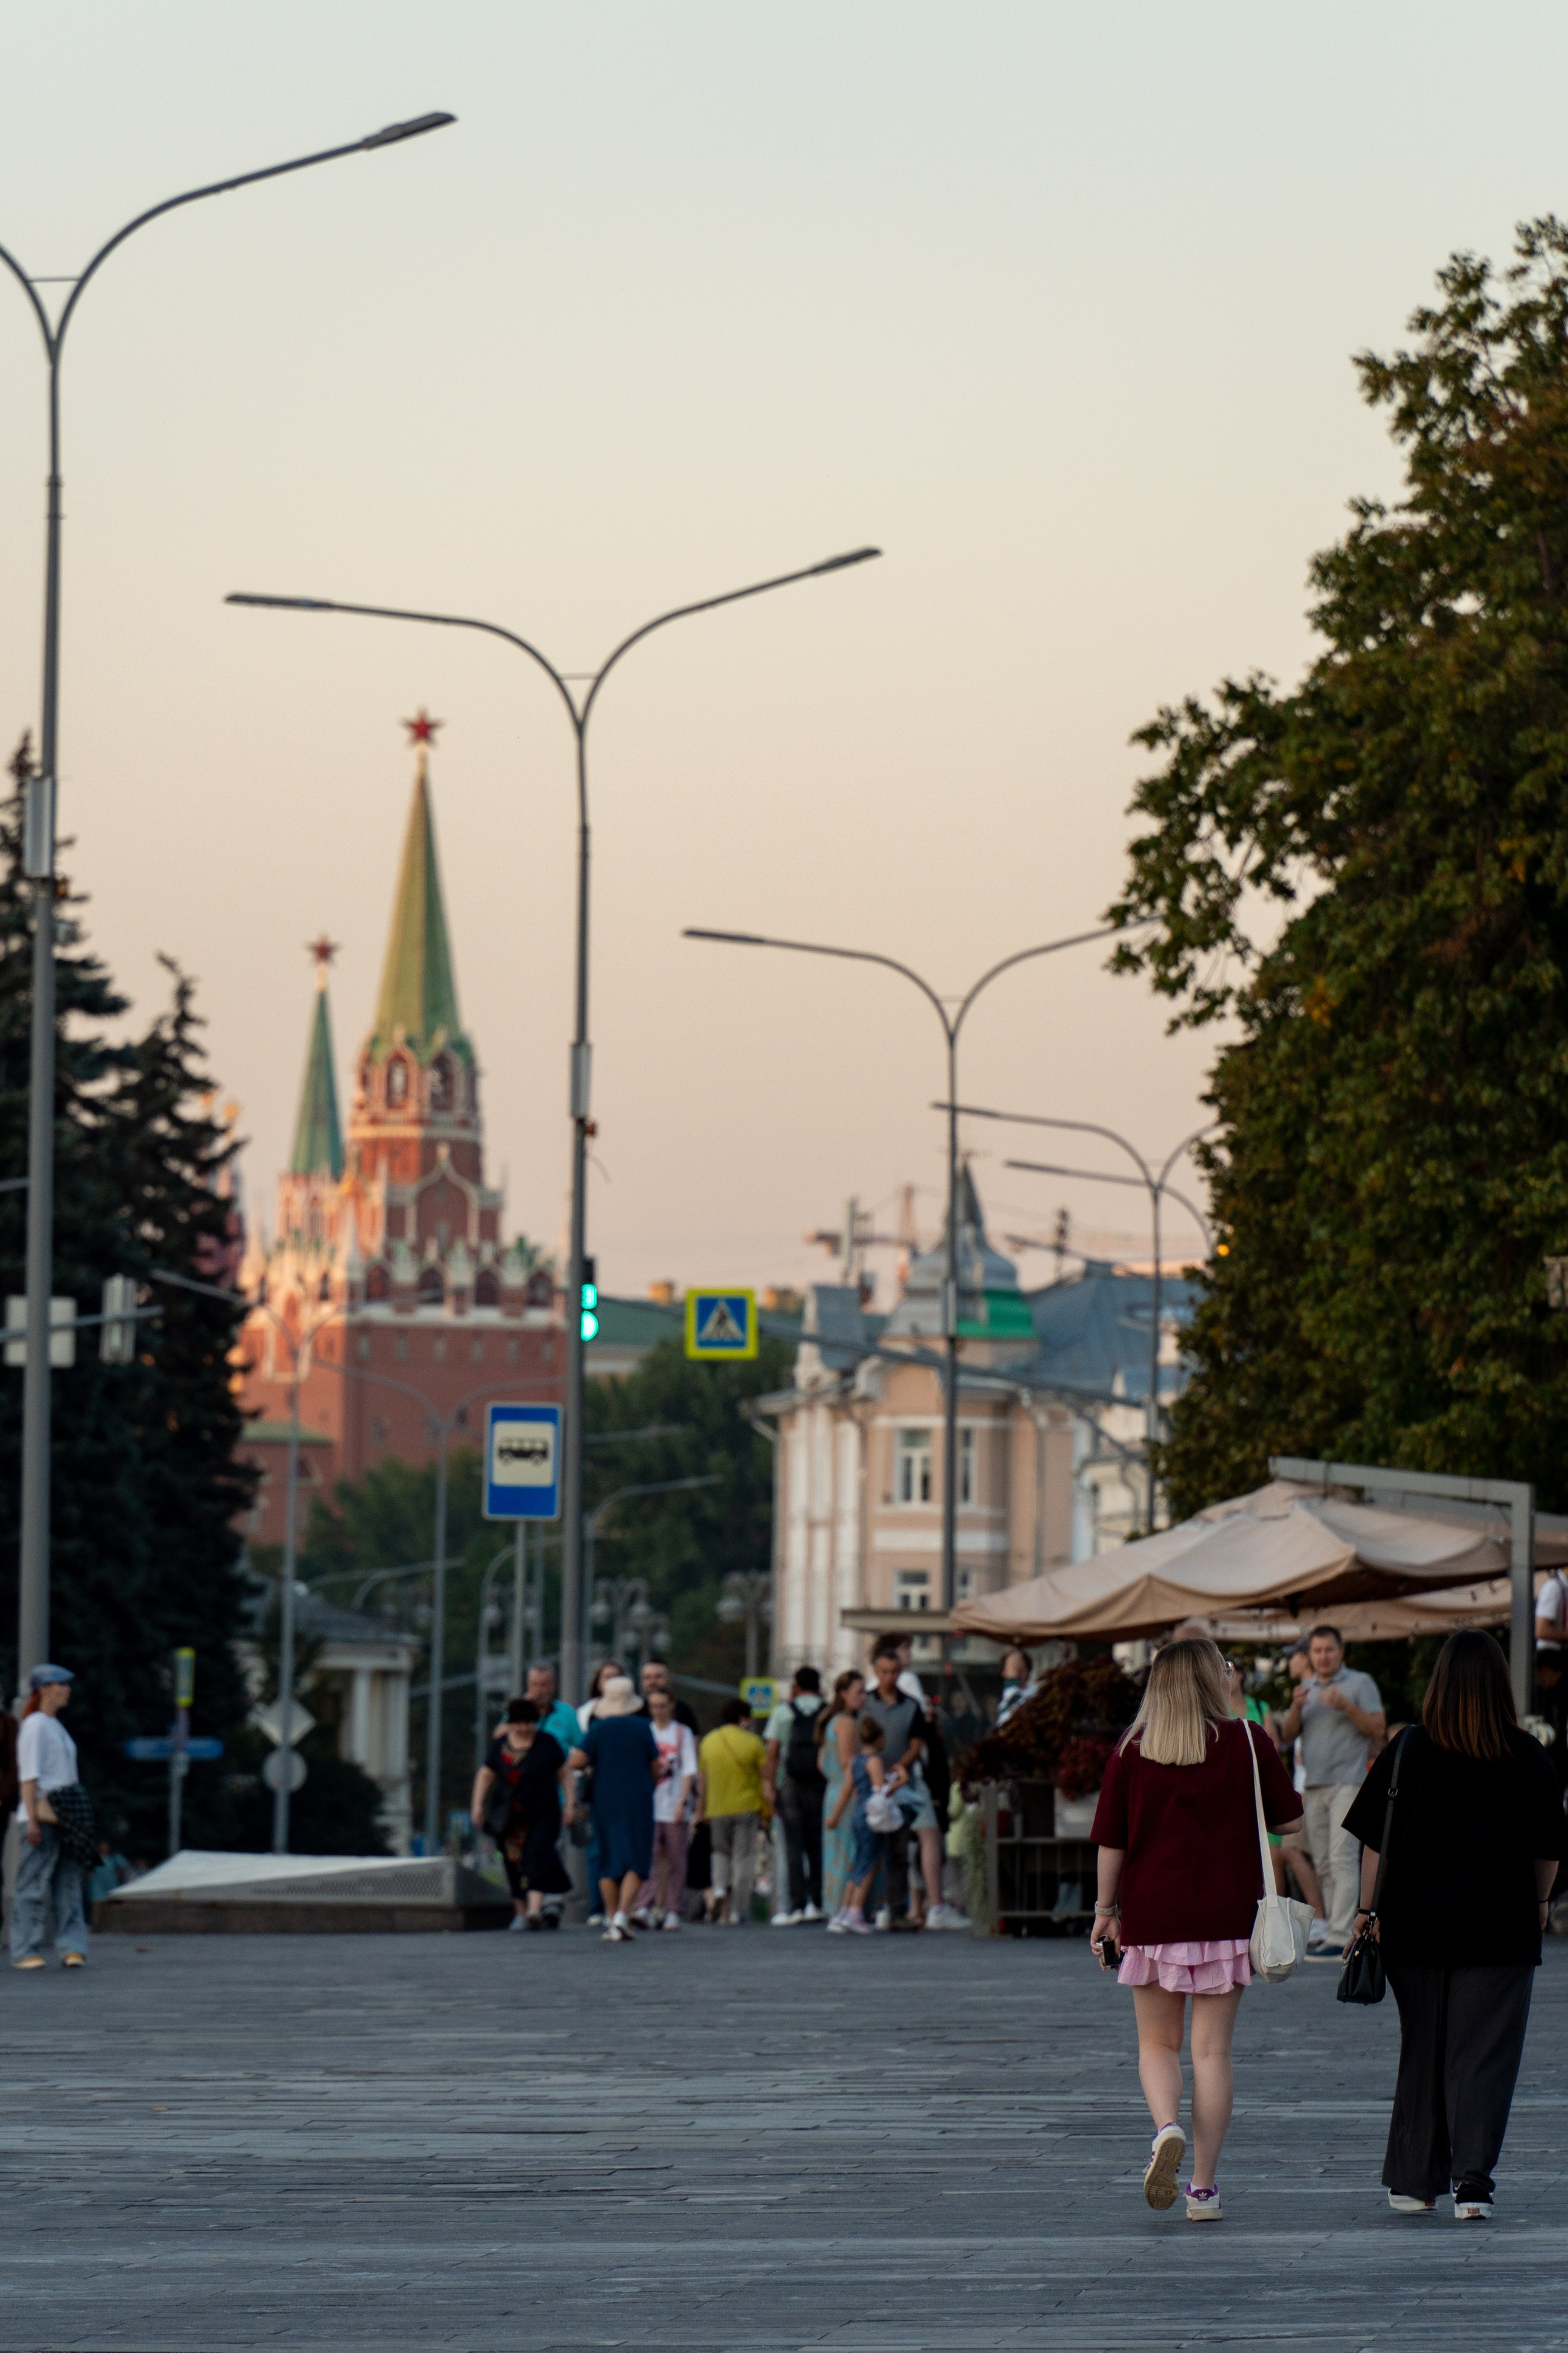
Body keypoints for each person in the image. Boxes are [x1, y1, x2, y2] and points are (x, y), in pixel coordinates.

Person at [1342, 1631, 1567, 2220]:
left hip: (1415, 1926)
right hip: (1501, 1926)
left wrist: (1366, 1912)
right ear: (1500, 1685)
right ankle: (1472, 2184)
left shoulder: (1407, 1748)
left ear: (1438, 1682)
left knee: (1424, 2047)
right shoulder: (1528, 1755)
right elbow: (1550, 1849)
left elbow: (1374, 1844)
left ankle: (1415, 2181)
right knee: (1484, 2053)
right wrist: (1541, 1901)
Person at [1090, 1636, 1303, 2222]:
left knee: (1157, 2044)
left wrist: (1105, 1909)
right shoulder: (1249, 1740)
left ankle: (1165, 2128)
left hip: (1153, 1915)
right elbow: (1291, 1820)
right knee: (1213, 2053)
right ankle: (1204, 2189)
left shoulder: (1134, 1747)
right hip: (1227, 1917)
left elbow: (1113, 1841)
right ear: (1217, 1679)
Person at [1275, 1624, 1384, 1954]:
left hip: (1349, 1783)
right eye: (1317, 1651)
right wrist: (1295, 1707)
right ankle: (1335, 1930)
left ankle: (1339, 1936)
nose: (1323, 1656)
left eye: (1329, 1650)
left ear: (1341, 1652)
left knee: (1342, 1858)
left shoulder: (1359, 1683)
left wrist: (1347, 1707)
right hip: (1315, 1785)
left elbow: (1378, 1728)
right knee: (1323, 1861)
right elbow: (1287, 1737)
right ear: (1310, 1655)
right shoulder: (1305, 1688)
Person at [1225, 1656, 1324, 1924]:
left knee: (1280, 1854)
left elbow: (1273, 1745)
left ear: (1243, 1675)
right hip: (1239, 1787)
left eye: (1231, 1671)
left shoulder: (1260, 1706)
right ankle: (1276, 1918)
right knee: (1272, 1856)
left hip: (1263, 1784)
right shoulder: (1219, 1708)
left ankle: (1293, 1916)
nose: (1228, 1677)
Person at [567, 1677, 658, 1942]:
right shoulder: (644, 1728)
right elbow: (655, 1766)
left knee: (608, 1858)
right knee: (637, 1857)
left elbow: (576, 1762)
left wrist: (594, 1767)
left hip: (604, 1798)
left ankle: (611, 1916)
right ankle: (623, 1917)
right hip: (638, 1797)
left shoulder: (598, 1729)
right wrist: (649, 1784)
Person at [471, 1698, 574, 1931]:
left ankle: (535, 1909)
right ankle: (520, 1911)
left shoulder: (547, 1743)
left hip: (544, 1812)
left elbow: (564, 1774)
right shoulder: (500, 1745)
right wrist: (477, 1806)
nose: (525, 1728)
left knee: (537, 1855)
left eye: (530, 1723)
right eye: (520, 1723)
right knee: (513, 1862)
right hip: (508, 1817)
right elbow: (486, 1775)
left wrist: (569, 1804)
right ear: (511, 1723)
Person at [12, 1664, 89, 1971]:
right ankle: (24, 1948)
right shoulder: (35, 1725)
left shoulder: (55, 1726)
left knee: (68, 1880)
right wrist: (31, 1819)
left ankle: (72, 1946)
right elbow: (29, 1776)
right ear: (44, 1689)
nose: (67, 1690)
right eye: (61, 1684)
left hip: (67, 1812)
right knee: (32, 1881)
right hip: (43, 1812)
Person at [763, 1666, 827, 1925]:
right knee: (817, 1844)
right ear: (819, 1686)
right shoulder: (828, 1712)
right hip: (821, 1783)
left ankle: (797, 1905)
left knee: (793, 1845)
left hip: (790, 1784)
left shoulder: (782, 1712)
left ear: (797, 1686)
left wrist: (770, 1786)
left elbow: (773, 1752)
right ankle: (817, 1902)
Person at [695, 1698, 767, 1924]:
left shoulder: (709, 1742)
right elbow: (765, 1779)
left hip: (716, 1808)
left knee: (719, 1853)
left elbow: (702, 1780)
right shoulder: (754, 1743)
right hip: (747, 1806)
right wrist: (767, 1810)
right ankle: (738, 1908)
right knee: (743, 1857)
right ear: (744, 1719)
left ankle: (718, 1891)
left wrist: (701, 1809)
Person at [824, 1713, 894, 1934]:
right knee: (870, 1864)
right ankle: (855, 1911)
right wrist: (900, 1781)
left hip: (857, 1814)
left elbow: (846, 1790)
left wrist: (835, 1816)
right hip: (871, 1816)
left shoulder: (855, 1761)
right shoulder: (875, 1761)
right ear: (878, 1738)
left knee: (859, 1862)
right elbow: (879, 1791)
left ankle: (845, 1910)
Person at [636, 1683, 696, 1930]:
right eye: (654, 1707)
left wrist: (682, 1802)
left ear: (672, 1706)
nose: (658, 1711)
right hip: (649, 1805)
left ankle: (673, 1909)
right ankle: (644, 1906)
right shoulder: (644, 1731)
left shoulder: (682, 1733)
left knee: (676, 1860)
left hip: (673, 1805)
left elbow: (688, 1771)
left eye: (662, 1706)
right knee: (646, 1859)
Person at [819, 1671, 864, 1924]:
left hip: (833, 1790)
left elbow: (821, 1763)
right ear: (843, 1694)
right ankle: (846, 1910)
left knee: (835, 1853)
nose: (863, 1698)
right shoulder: (846, 1723)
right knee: (850, 1852)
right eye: (858, 1692)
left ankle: (835, 1908)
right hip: (848, 1795)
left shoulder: (830, 1721)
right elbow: (850, 1765)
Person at [1533, 1566, 1568, 1786]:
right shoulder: (1554, 1589)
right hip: (1552, 1662)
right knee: (1552, 1730)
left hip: (1557, 1664)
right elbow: (1542, 1630)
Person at [633, 1660, 700, 1737]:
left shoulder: (683, 1711)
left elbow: (694, 1741)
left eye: (658, 1677)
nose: (653, 1682)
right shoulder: (636, 1711)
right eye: (648, 1678)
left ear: (668, 1678)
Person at [997, 1647, 1036, 1726]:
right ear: (1004, 1673)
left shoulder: (1036, 1693)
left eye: (1021, 1669)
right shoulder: (1004, 1703)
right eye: (1013, 1668)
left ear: (1028, 1672)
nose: (1017, 1673)